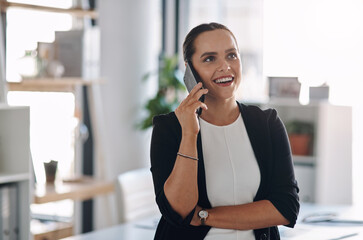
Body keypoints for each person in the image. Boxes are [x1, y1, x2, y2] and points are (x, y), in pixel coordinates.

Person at [150, 22, 299, 240]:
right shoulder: (170, 128)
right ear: (189, 69)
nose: (225, 67)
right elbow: (179, 211)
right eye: (210, 58)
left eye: (231, 55)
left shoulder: (267, 124)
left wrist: (204, 216)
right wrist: (189, 134)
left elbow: (286, 208)